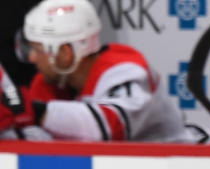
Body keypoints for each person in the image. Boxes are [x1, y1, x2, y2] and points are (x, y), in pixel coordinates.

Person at [8, 0, 199, 143]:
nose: (32, 58)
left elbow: (111, 127)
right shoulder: (48, 83)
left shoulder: (124, 69)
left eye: (37, 49)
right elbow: (40, 140)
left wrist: (35, 111)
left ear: (66, 53)